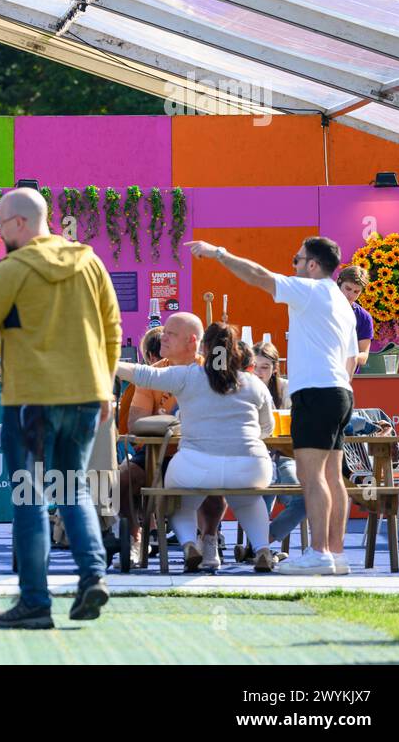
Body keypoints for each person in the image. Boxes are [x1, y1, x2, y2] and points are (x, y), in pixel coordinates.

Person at [0, 187, 119, 629]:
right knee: (72, 487)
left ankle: (36, 601)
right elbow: (112, 329)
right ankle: (93, 575)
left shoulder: (10, 270)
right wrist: (105, 388)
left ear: (19, 223)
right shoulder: (90, 263)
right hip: (83, 397)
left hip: (29, 401)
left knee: (30, 498)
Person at [186, 235, 357, 576]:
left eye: (297, 259)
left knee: (311, 476)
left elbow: (259, 276)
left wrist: (219, 253)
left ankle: (320, 552)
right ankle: (335, 554)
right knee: (333, 477)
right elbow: (351, 359)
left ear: (312, 265)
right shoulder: (341, 301)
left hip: (317, 393)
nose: (292, 265)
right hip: (340, 392)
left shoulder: (309, 290)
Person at [116, 324, 278, 573]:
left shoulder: (187, 376)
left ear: (204, 348)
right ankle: (262, 549)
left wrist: (102, 359)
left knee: (178, 499)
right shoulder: (254, 384)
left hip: (195, 465)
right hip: (251, 466)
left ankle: (190, 544)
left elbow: (141, 374)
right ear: (237, 351)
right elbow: (267, 428)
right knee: (248, 498)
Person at [116, 326, 163, 567]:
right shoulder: (147, 379)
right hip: (153, 453)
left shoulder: (202, 372)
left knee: (214, 472)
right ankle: (136, 538)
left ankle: (206, 537)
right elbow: (131, 429)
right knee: (122, 477)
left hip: (194, 450)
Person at [337, 266, 373, 372]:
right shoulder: (321, 307)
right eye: (348, 289)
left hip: (348, 378)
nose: (351, 295)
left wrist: (348, 357)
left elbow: (364, 357)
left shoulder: (364, 317)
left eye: (356, 292)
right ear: (339, 282)